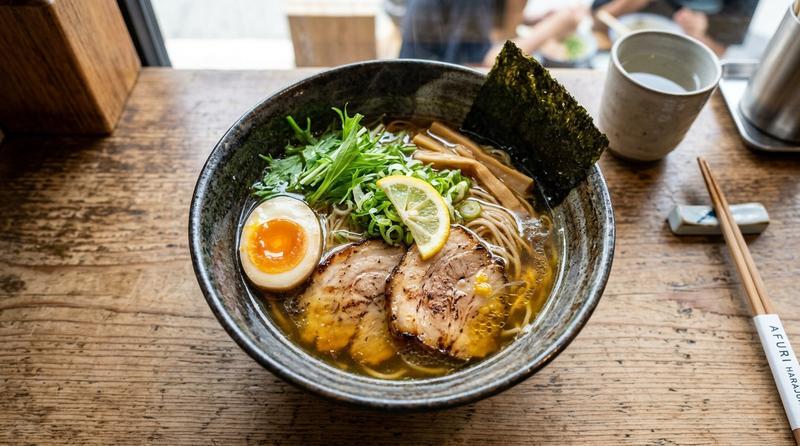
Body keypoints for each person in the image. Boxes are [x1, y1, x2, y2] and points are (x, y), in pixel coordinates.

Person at [397, 0, 587, 66]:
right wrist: (553, 27)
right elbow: (487, 64)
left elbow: (494, 22)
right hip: (420, 86)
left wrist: (534, 20)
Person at [592, 0, 759, 56]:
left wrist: (697, 34)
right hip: (618, 52)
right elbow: (596, 23)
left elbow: (719, 54)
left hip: (685, 59)